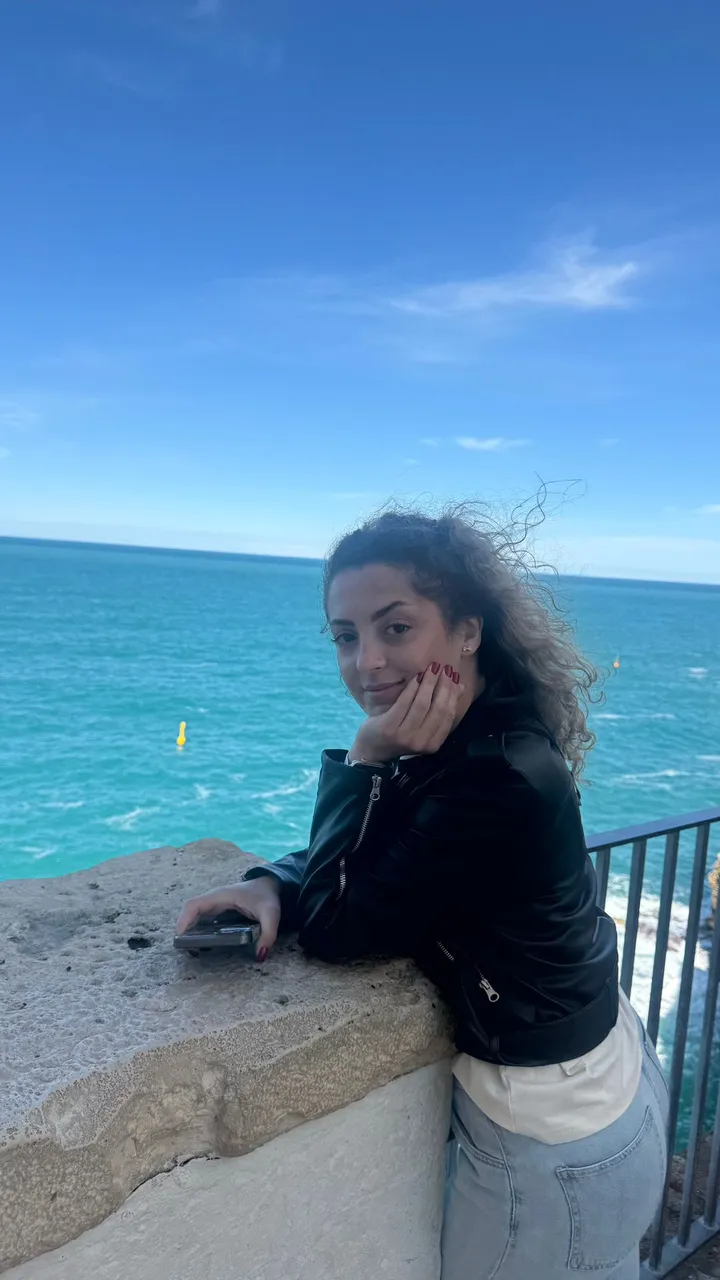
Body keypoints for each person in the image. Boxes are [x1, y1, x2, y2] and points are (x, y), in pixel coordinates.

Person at [177, 506, 669, 1280]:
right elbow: (402, 849)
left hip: (552, 1139)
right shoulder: (486, 731)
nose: (367, 661)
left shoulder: (495, 774)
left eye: (395, 628)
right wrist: (274, 879)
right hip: (604, 1082)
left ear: (467, 630)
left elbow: (338, 929)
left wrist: (365, 755)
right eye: (346, 636)